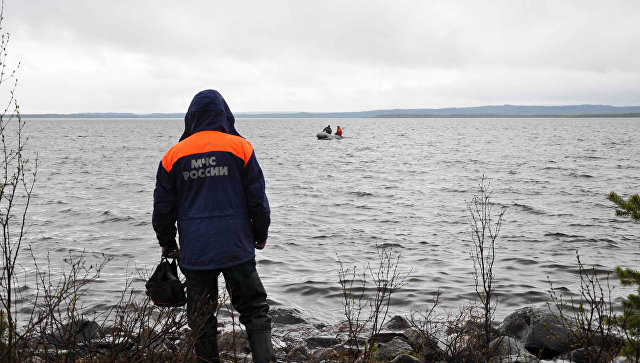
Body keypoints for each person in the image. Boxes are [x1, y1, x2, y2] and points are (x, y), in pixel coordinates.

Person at [153, 89, 273, 362]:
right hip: (237, 247)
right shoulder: (241, 148)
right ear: (225, 114)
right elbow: (257, 199)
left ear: (190, 117)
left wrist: (167, 242)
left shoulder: (173, 155)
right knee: (254, 310)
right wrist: (260, 233)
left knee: (201, 318)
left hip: (196, 253)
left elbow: (162, 207)